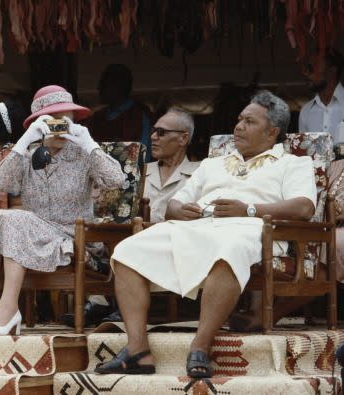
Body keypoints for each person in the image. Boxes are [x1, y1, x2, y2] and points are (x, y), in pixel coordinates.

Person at [96, 91, 316, 378]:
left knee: (229, 249)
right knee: (126, 251)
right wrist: (178, 211)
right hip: (196, 227)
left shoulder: (293, 163)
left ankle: (200, 346)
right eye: (239, 120)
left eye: (249, 122)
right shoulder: (213, 164)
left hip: (252, 230)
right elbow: (176, 202)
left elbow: (304, 207)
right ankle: (137, 350)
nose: (238, 127)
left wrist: (248, 209)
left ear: (272, 132)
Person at [0, 85, 125, 336]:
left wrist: (88, 142)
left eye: (65, 120)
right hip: (30, 234)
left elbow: (116, 181)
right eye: (52, 121)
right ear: (39, 123)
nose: (59, 127)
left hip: (71, 238)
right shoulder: (28, 153)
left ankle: (7, 311)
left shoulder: (84, 153)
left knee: (15, 219)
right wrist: (26, 140)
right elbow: (1, 185)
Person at [62, 108, 200, 326]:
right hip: (131, 239)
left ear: (183, 138)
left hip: (173, 244)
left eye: (162, 132)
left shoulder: (200, 173)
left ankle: (108, 304)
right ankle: (102, 302)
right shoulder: (137, 170)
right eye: (154, 131)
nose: (153, 136)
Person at [87, 64, 152, 161]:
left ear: (119, 87)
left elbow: (145, 154)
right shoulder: (96, 117)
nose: (98, 88)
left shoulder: (139, 115)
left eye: (103, 84)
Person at [299, 47, 344, 143]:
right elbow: (304, 155)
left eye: (312, 67)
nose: (306, 73)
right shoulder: (306, 111)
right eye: (307, 68)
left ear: (332, 70)